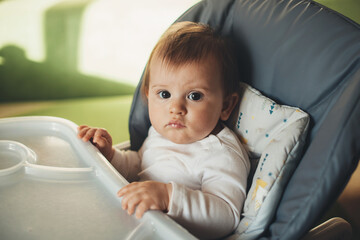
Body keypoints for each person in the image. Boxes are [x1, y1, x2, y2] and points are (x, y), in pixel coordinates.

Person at [77, 21, 250, 239]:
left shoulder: (222, 154)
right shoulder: (160, 133)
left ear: (226, 106)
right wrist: (109, 155)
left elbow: (226, 216)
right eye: (165, 94)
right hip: (132, 224)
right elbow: (139, 166)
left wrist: (168, 197)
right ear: (148, 94)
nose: (175, 108)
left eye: (194, 96)